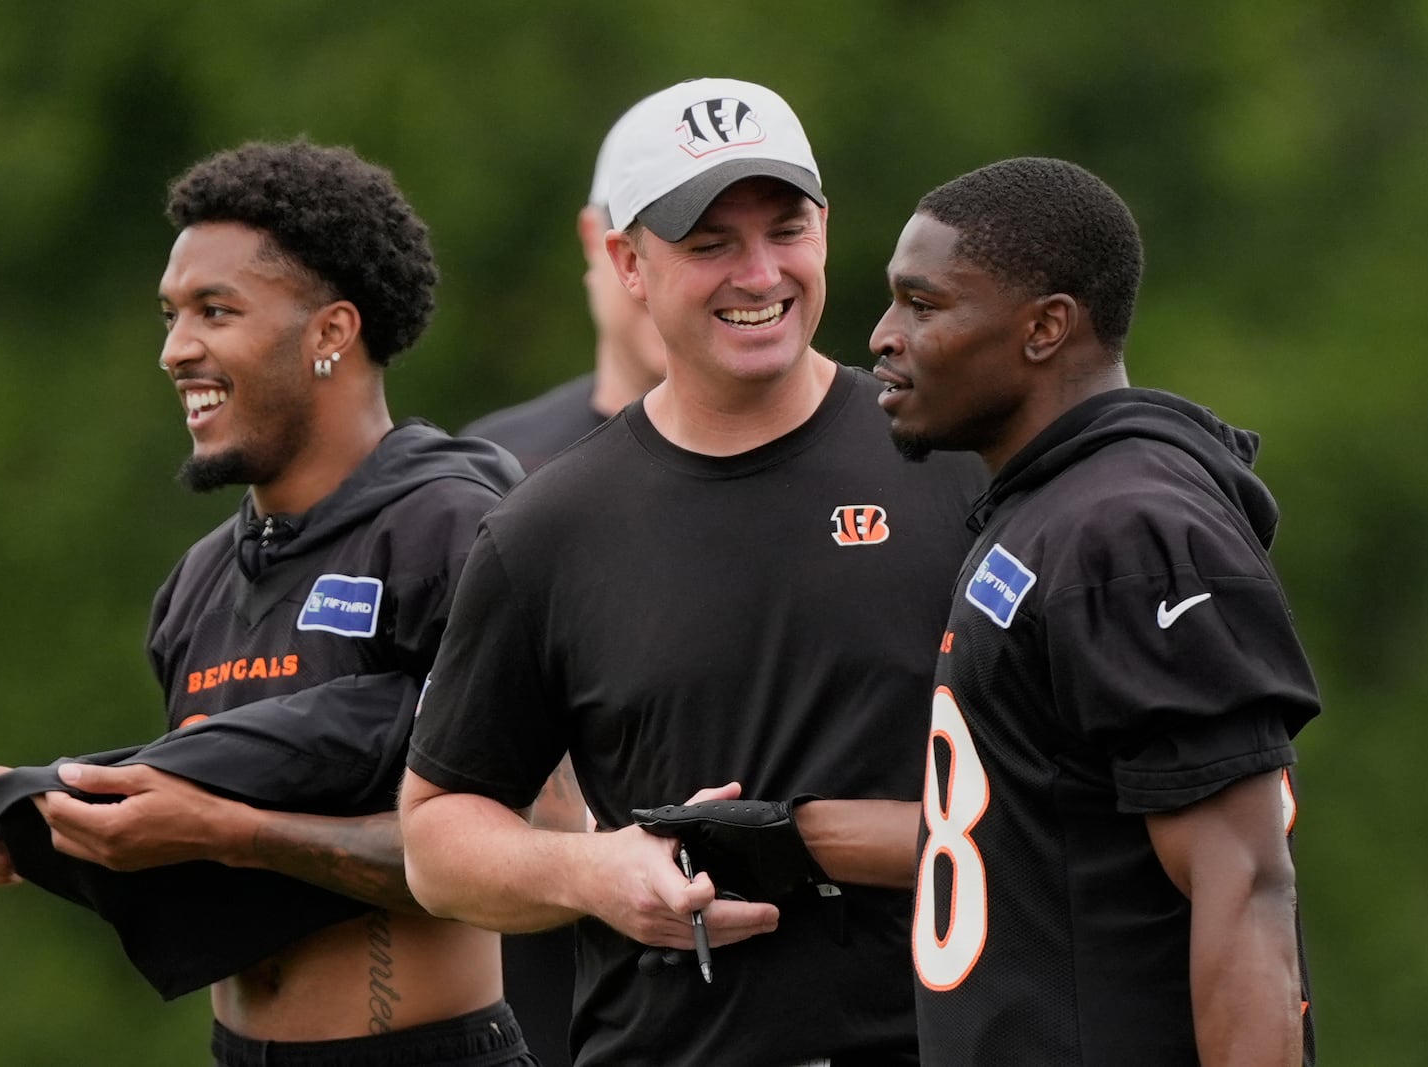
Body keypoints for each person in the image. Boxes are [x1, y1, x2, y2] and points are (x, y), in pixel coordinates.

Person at [399, 77, 987, 1066]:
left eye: (785, 230)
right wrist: (595, 871)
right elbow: (436, 837)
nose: (758, 274)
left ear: (826, 230)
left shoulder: (961, 462)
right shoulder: (547, 527)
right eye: (710, 243)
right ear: (627, 262)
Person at [0, 141, 536, 1067]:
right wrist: (37, 815)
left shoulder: (452, 527)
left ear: (331, 332)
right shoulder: (196, 581)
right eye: (172, 315)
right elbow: (200, 825)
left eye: (216, 311)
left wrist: (235, 832)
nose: (176, 349)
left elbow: (539, 849)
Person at [869, 157, 1318, 1065]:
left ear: (1044, 328)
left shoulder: (1128, 528)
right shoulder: (1049, 508)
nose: (883, 335)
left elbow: (1245, 886)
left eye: (923, 304)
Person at [460, 102, 671, 1067]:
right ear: (601, 242)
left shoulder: (873, 452)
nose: (677, 275)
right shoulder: (490, 467)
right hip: (554, 1003)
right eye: (658, 237)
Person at [460, 101, 669, 471]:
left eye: (711, 246)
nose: (673, 281)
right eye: (640, 246)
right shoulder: (496, 463)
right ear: (593, 240)